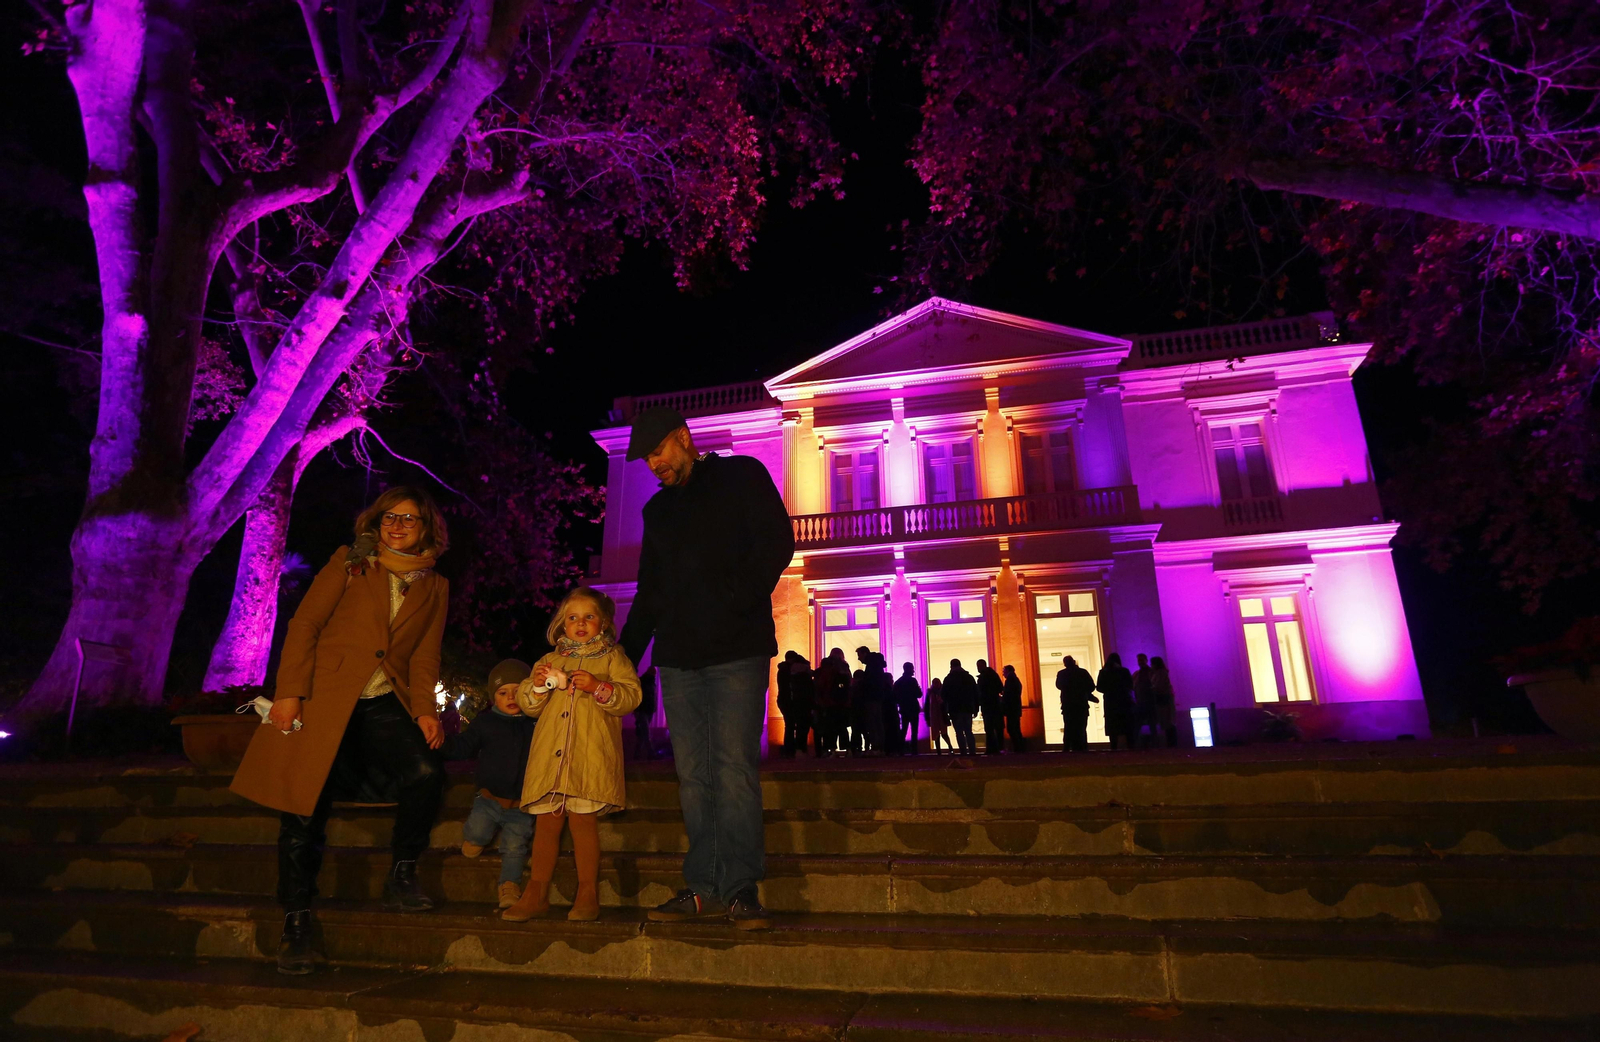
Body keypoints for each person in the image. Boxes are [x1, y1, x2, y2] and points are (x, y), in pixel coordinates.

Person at [232, 486, 450, 976]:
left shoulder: (435, 585)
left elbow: (424, 655)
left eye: (408, 518)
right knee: (302, 809)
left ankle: (402, 873)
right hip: (323, 696)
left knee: (425, 772)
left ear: (426, 529)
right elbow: (305, 624)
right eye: (389, 516)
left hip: (382, 700)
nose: (397, 525)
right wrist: (289, 691)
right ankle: (296, 922)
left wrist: (425, 710)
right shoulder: (351, 562)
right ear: (376, 522)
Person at [619, 407, 794, 931]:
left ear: (683, 437)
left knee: (733, 769)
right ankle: (703, 885)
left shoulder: (741, 475)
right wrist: (622, 659)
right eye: (647, 459)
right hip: (678, 657)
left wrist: (733, 600)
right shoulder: (657, 511)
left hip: (736, 649)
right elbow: (649, 591)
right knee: (693, 776)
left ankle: (740, 888)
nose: (654, 465)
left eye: (658, 452)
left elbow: (776, 542)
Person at [502, 588, 642, 923]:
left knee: (583, 822)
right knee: (547, 822)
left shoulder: (613, 658)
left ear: (603, 623)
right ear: (562, 624)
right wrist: (538, 685)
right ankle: (536, 892)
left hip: (588, 757)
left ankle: (587, 892)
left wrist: (597, 687)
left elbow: (631, 697)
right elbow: (528, 704)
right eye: (572, 617)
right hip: (551, 758)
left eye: (588, 617)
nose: (580, 623)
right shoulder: (548, 661)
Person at [441, 658, 537, 911]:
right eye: (503, 693)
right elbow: (464, 746)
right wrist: (443, 742)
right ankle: (476, 838)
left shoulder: (536, 723)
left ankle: (509, 885)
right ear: (494, 698)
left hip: (522, 804)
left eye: (517, 691)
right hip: (489, 798)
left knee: (515, 848)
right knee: (477, 832)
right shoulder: (485, 723)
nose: (511, 697)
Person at [1055, 655, 1097, 753]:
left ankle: (1067, 747)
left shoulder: (1062, 674)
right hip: (1081, 704)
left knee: (1068, 727)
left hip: (1068, 705)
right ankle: (1082, 747)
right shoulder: (1083, 672)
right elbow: (1091, 686)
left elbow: (1058, 686)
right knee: (1081, 727)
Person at [1097, 653, 1137, 751]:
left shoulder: (1104, 672)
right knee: (1127, 726)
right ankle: (1130, 747)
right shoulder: (1124, 671)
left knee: (1112, 727)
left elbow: (1099, 687)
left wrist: (1109, 690)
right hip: (1124, 701)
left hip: (1110, 702)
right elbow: (1130, 685)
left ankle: (1113, 747)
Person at [852, 646, 889, 755]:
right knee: (877, 722)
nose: (859, 658)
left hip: (871, 697)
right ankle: (880, 747)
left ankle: (876, 747)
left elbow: (870, 682)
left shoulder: (871, 666)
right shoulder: (876, 664)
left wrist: (861, 684)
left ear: (864, 653)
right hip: (877, 697)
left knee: (873, 723)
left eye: (859, 655)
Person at [817, 647, 852, 756]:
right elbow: (849, 683)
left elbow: (822, 684)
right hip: (842, 700)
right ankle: (847, 748)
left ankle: (830, 748)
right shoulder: (844, 667)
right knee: (842, 726)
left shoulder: (826, 666)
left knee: (830, 726)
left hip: (829, 700)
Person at [942, 659, 979, 756]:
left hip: (955, 709)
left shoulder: (949, 679)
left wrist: (946, 710)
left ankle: (963, 751)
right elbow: (975, 693)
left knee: (959, 732)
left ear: (951, 666)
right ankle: (972, 751)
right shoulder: (969, 677)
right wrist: (976, 708)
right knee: (968, 731)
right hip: (967, 708)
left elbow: (944, 695)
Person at [787, 653, 817, 756]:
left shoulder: (792, 677)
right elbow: (811, 691)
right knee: (804, 726)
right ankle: (802, 748)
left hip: (796, 702)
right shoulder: (806, 678)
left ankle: (798, 749)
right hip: (806, 703)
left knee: (798, 726)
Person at [976, 659, 1005, 755]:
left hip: (988, 705)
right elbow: (1000, 688)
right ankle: (999, 747)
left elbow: (980, 692)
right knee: (997, 728)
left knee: (989, 728)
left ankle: (992, 748)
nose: (978, 668)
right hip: (994, 705)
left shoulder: (983, 678)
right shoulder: (993, 675)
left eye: (979, 666)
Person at [1149, 655, 1178, 748]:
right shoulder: (1162, 673)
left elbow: (1159, 686)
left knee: (1167, 722)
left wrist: (1151, 689)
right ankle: (1171, 743)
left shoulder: (1160, 673)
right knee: (1168, 722)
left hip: (1163, 700)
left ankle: (1171, 744)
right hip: (1164, 699)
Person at [893, 663, 922, 755]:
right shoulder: (913, 681)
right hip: (913, 707)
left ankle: (901, 749)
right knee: (914, 730)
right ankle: (914, 750)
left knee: (904, 730)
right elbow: (919, 694)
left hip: (904, 708)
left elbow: (895, 697)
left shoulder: (898, 682)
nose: (913, 670)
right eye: (912, 669)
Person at [775, 651, 798, 758]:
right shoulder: (788, 670)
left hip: (783, 699)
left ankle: (789, 749)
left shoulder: (782, 669)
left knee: (789, 724)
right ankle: (790, 749)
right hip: (788, 700)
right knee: (790, 724)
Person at [1000, 664, 1027, 753]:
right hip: (1015, 708)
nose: (1003, 674)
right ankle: (1020, 747)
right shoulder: (1015, 679)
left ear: (1008, 671)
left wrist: (1002, 699)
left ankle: (1017, 747)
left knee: (1012, 729)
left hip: (1011, 709)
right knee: (1016, 728)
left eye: (1004, 671)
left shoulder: (1010, 680)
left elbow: (1008, 695)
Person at [634, 667, 659, 760]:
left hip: (646, 710)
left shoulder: (648, 682)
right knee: (646, 732)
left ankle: (637, 754)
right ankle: (650, 753)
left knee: (643, 733)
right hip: (644, 710)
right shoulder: (646, 682)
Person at [1132, 653, 1155, 748]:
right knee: (1142, 724)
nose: (1140, 662)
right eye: (1139, 660)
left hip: (1148, 702)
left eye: (1141, 660)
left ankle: (1150, 743)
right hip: (1141, 702)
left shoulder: (1150, 672)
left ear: (1146, 660)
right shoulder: (1138, 674)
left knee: (1150, 724)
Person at [925, 677, 952, 753]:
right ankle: (941, 750)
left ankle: (946, 749)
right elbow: (927, 706)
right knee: (939, 734)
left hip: (938, 716)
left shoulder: (932, 693)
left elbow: (927, 706)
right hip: (936, 716)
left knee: (942, 733)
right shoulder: (938, 693)